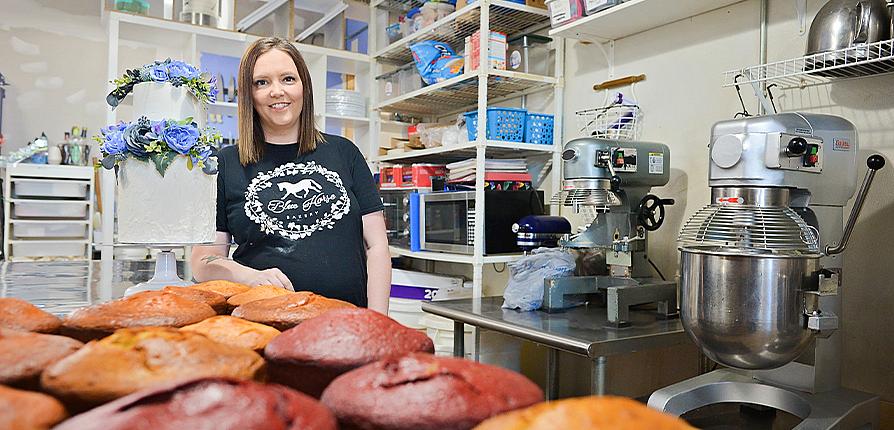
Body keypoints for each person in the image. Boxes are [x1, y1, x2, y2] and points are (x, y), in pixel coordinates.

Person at [191, 37, 390, 314]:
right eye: (262, 82)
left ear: (304, 86)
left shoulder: (344, 152)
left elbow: (377, 246)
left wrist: (378, 322)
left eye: (288, 79)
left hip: (346, 323)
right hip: (262, 324)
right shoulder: (226, 163)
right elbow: (202, 262)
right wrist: (250, 276)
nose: (277, 91)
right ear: (249, 94)